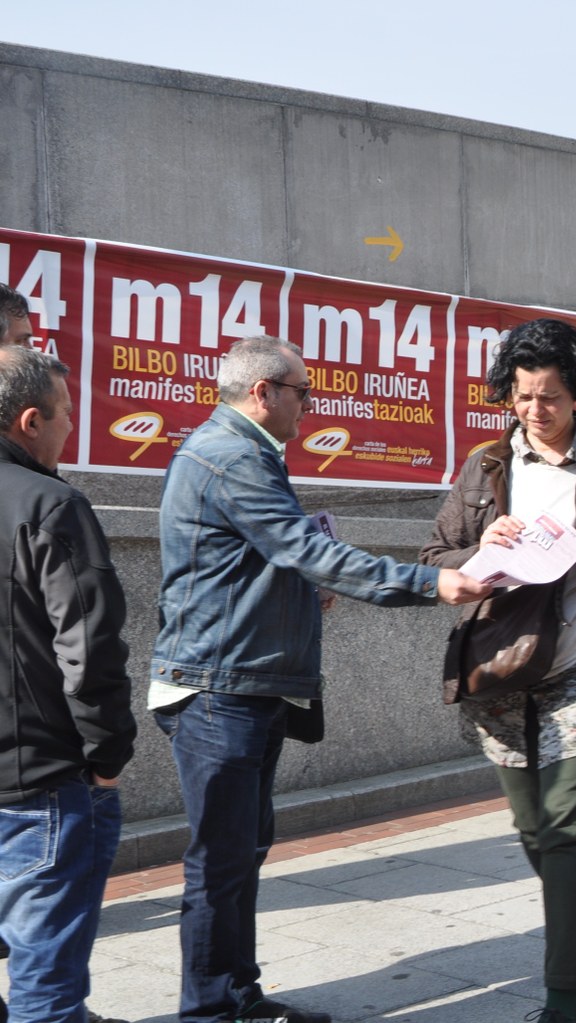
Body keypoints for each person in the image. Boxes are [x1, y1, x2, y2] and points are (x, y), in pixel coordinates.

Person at [149, 336, 489, 1023]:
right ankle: (211, 1012)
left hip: (246, 683)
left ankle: (238, 997)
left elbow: (259, 562)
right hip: (221, 690)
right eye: (303, 391)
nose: (311, 404)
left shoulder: (240, 453)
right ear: (263, 391)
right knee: (220, 866)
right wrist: (431, 582)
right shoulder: (230, 454)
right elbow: (302, 547)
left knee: (240, 857)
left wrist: (303, 592)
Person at [423, 318, 576, 1023]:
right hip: (501, 672)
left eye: (550, 398)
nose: (535, 411)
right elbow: (434, 557)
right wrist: (478, 551)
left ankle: (564, 994)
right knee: (532, 828)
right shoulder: (486, 467)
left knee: (565, 828)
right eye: (523, 397)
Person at [0, 346, 136, 1023]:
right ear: (30, 420)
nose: (69, 430)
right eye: (65, 415)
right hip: (42, 780)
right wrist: (107, 756)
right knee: (45, 986)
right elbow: (90, 646)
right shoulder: (52, 505)